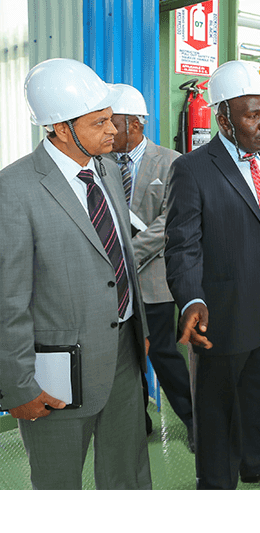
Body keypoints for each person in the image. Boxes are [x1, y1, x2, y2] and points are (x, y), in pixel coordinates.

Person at [0, 58, 151, 489]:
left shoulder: (104, 168)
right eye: (100, 122)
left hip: (122, 354)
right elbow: (7, 300)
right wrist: (17, 386)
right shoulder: (14, 190)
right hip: (56, 372)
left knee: (129, 471)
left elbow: (120, 252)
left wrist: (135, 324)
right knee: (58, 477)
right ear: (62, 128)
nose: (113, 130)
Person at [164, 60, 260, 490]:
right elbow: (182, 245)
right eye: (253, 115)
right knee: (217, 408)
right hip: (221, 314)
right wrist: (191, 299)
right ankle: (215, 480)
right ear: (223, 118)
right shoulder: (193, 169)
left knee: (258, 396)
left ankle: (255, 461)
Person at [105, 84, 194, 451]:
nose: (109, 131)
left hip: (153, 279)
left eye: (114, 123)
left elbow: (168, 222)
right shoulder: (102, 163)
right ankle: (136, 422)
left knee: (163, 354)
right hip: (113, 284)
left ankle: (194, 421)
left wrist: (125, 255)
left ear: (136, 124)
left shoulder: (172, 162)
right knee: (126, 356)